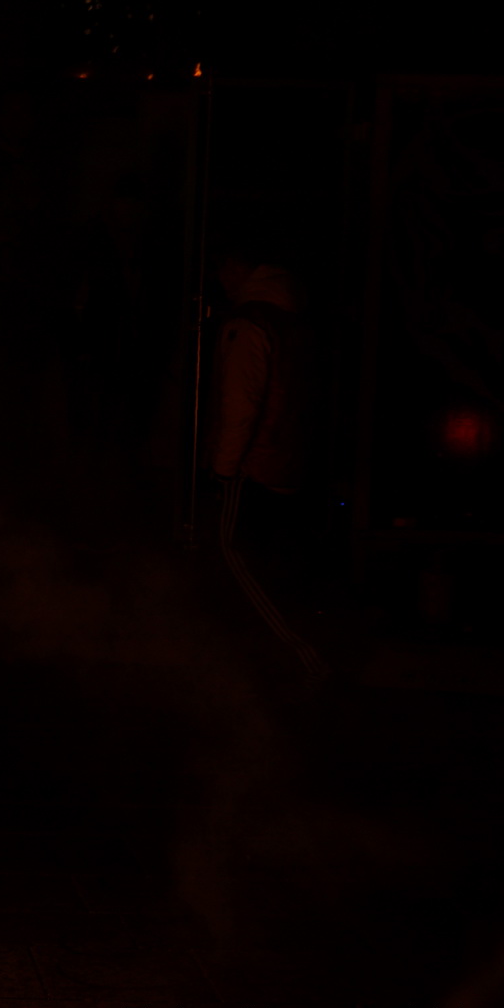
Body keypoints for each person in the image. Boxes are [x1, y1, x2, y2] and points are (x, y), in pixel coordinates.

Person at [207, 242, 330, 684]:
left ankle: (301, 654)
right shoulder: (296, 322)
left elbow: (240, 404)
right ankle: (272, 658)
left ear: (238, 267)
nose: (219, 281)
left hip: (253, 466)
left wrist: (222, 469)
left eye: (221, 269)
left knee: (230, 552)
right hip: (291, 465)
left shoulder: (249, 325)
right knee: (271, 565)